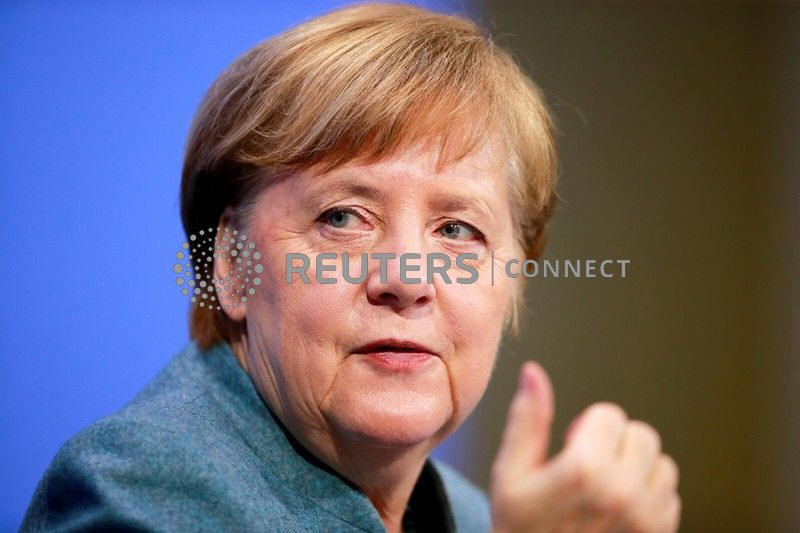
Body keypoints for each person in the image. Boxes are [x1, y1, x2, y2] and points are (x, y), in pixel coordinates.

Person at [22, 3, 681, 532]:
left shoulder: (473, 515)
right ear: (230, 265)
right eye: (343, 217)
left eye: (458, 230)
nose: (407, 280)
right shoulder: (137, 494)